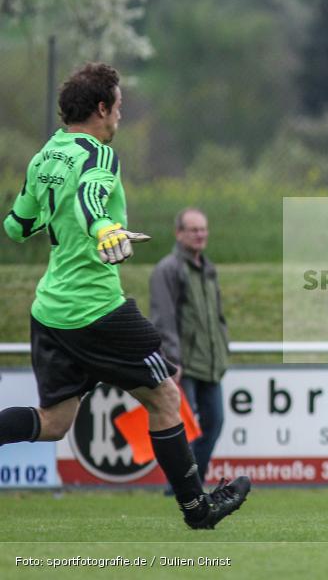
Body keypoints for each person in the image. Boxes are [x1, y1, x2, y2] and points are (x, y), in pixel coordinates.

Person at [0, 62, 250, 529]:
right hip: (95, 310)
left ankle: (197, 507)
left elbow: (18, 226)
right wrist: (104, 228)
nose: (121, 115)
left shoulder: (44, 157)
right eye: (119, 106)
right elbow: (90, 200)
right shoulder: (98, 155)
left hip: (50, 311)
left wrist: (77, 225)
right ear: (101, 108)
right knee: (165, 396)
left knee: (53, 423)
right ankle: (199, 510)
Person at [150, 208, 228, 487]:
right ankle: (181, 486)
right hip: (183, 365)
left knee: (215, 423)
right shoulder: (167, 269)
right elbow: (163, 318)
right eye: (194, 230)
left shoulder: (208, 268)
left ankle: (192, 483)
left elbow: (217, 315)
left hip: (210, 363)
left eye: (203, 229)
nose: (200, 235)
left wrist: (223, 346)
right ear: (178, 233)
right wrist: (172, 360)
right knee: (185, 429)